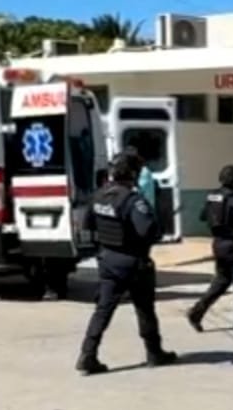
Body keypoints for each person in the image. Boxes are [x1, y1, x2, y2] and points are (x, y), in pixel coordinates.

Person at [76, 151, 178, 375]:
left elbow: (87, 225)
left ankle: (87, 354)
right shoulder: (134, 200)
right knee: (145, 309)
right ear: (133, 174)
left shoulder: (99, 195)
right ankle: (154, 352)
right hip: (133, 261)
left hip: (108, 259)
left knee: (103, 310)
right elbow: (147, 232)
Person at [187, 164, 233, 333]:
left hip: (218, 243)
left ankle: (196, 312)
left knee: (222, 280)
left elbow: (203, 216)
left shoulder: (212, 196)